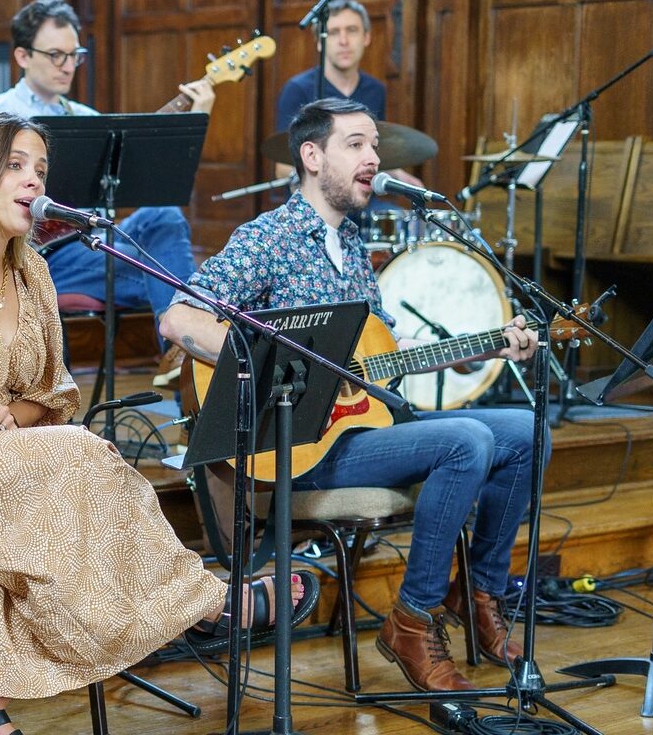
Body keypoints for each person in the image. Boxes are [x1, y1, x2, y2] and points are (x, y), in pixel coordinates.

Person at [0, 112, 316, 735]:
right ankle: (206, 603)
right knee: (78, 458)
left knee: (63, 473)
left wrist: (16, 417)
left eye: (41, 169)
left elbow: (53, 393)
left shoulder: (32, 273)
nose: (34, 181)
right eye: (15, 166)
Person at [160, 98, 545, 693]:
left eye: (374, 147)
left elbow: (385, 346)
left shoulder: (354, 243)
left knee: (527, 431)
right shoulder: (270, 236)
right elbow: (180, 319)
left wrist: (481, 346)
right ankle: (413, 622)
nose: (373, 158)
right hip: (297, 444)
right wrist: (280, 363)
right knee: (465, 439)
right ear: (312, 157)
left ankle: (479, 592)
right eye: (357, 145)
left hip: (357, 431)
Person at [0, 0, 213, 320]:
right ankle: (186, 351)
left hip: (90, 239)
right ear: (22, 56)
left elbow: (145, 180)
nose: (68, 66)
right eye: (56, 55)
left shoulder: (87, 118)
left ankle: (177, 358)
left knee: (163, 216)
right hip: (36, 253)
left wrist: (192, 122)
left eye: (75, 55)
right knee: (168, 278)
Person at [272, 0, 424, 192]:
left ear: (366, 37)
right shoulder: (297, 89)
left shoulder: (376, 90)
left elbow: (371, 151)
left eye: (351, 30)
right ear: (320, 42)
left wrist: (396, 174)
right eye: (334, 33)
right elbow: (283, 168)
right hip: (316, 202)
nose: (344, 41)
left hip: (361, 202)